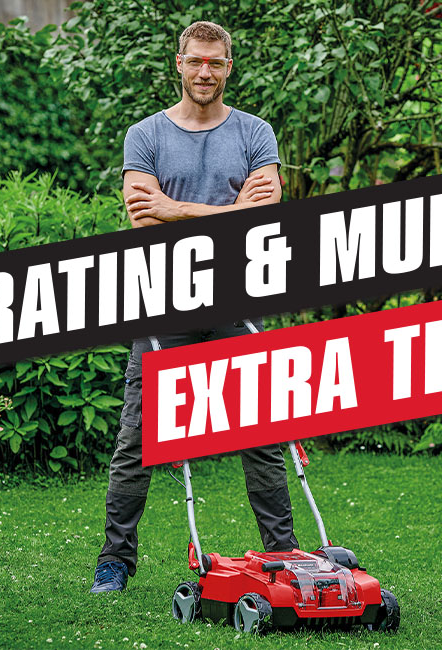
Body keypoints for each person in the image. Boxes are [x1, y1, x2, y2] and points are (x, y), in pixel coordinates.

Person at [91, 20, 299, 593]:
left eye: (216, 63)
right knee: (139, 437)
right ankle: (116, 560)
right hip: (165, 301)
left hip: (238, 298)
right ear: (178, 63)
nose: (205, 72)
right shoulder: (145, 136)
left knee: (261, 432)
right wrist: (227, 212)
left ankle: (284, 554)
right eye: (196, 62)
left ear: (229, 68)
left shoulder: (257, 132)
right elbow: (141, 217)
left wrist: (175, 210)